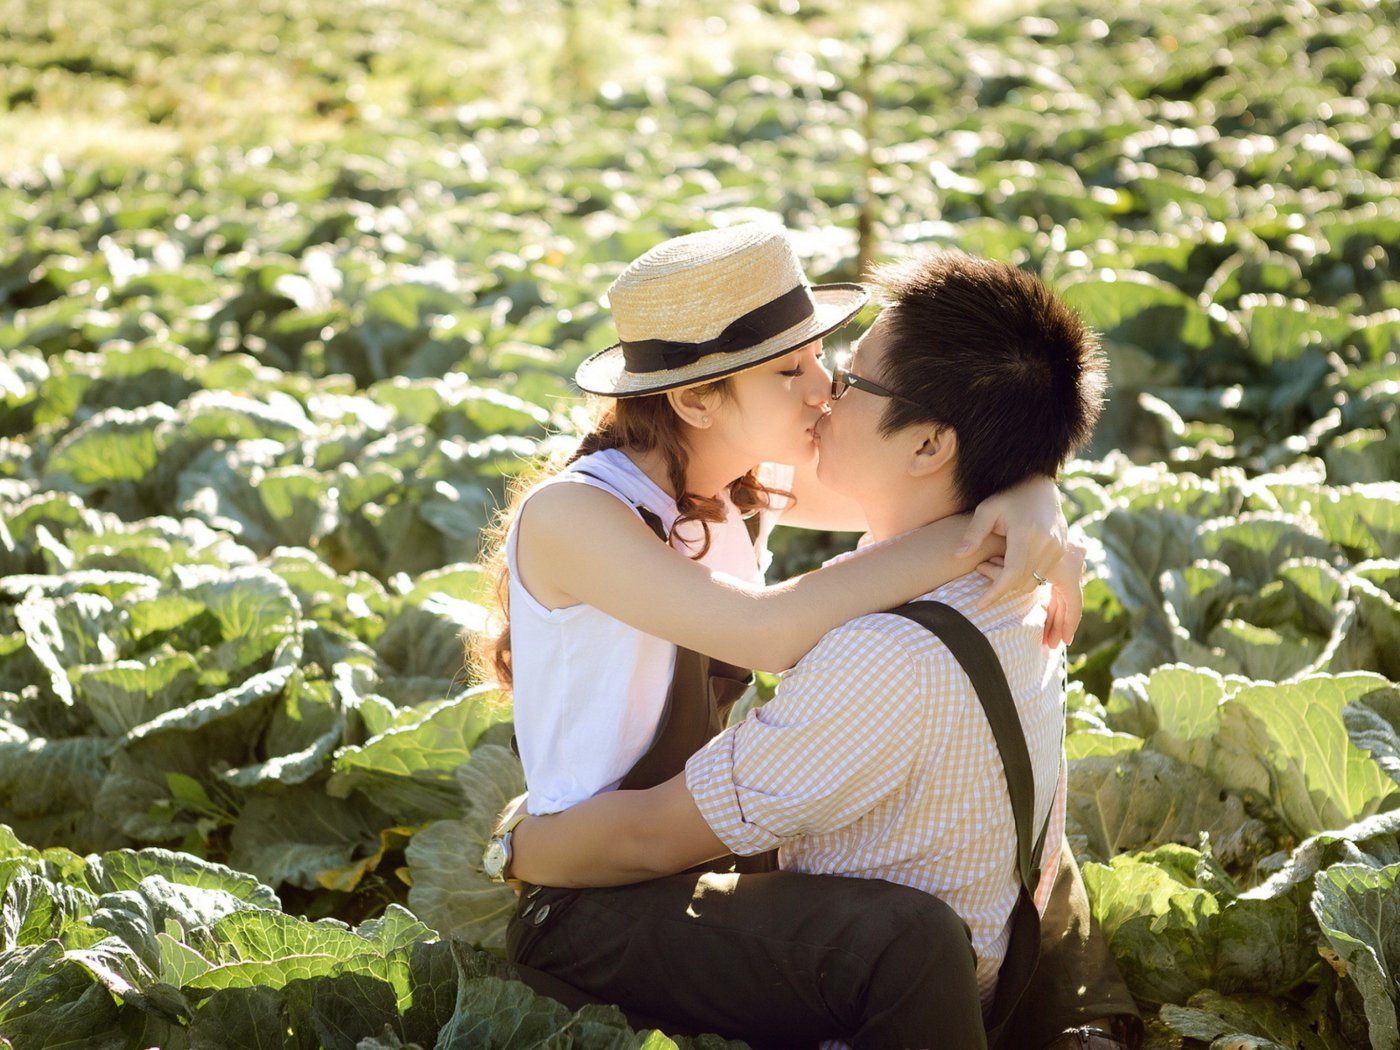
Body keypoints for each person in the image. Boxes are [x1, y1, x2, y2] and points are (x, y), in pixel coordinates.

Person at [501, 251, 1138, 1050]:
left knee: (1002, 811)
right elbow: (769, 627)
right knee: (908, 943)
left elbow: (933, 477)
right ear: (700, 397)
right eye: (790, 370)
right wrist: (516, 846)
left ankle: (1081, 1023)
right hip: (590, 872)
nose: (825, 385)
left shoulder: (738, 477)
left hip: (697, 832)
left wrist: (1030, 487)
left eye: (825, 357)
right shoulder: (575, 516)